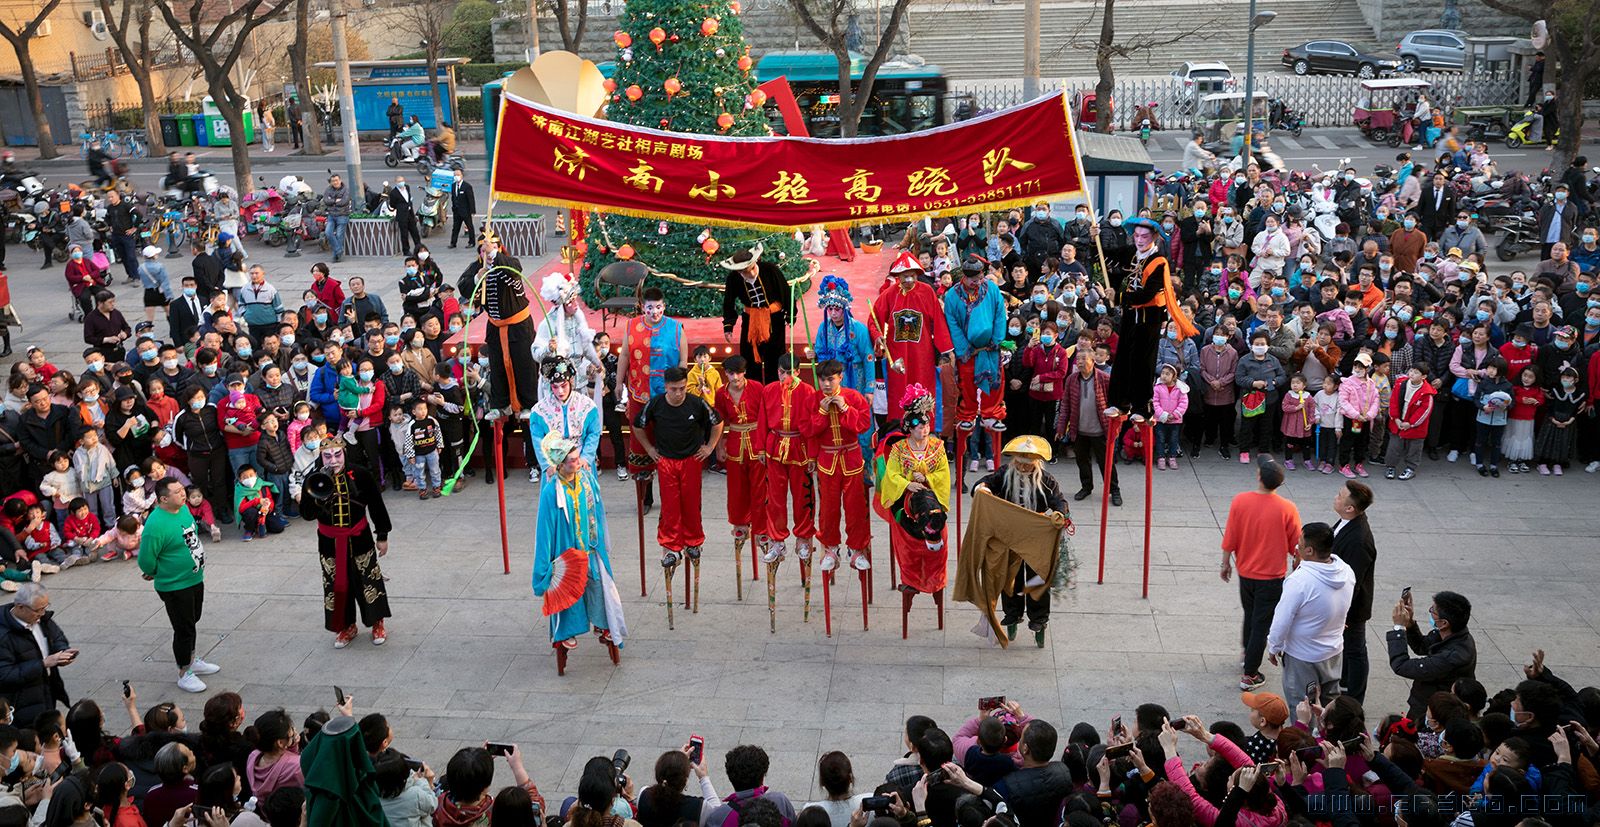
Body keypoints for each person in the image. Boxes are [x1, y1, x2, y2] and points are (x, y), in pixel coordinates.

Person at [532, 432, 625, 674]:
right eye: (572, 460)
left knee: (599, 588)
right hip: (567, 555)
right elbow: (544, 532)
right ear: (560, 464)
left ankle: (603, 625)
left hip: (591, 549)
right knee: (570, 593)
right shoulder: (551, 492)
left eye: (577, 458)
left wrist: (603, 544)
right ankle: (567, 632)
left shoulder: (587, 480)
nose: (578, 462)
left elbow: (600, 510)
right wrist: (542, 571)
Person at [964, 436, 1069, 648]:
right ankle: (1012, 615)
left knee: (1037, 579)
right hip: (1009, 537)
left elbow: (1060, 501)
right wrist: (982, 487)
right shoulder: (1004, 474)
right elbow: (984, 483)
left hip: (1035, 538)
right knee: (1009, 578)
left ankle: (1039, 619)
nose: (1023, 467)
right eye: (1020, 462)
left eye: (1028, 464)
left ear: (1036, 463)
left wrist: (1060, 513)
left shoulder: (1047, 480)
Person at [297, 440, 391, 649]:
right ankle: (346, 626)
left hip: (360, 538)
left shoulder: (360, 474)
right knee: (336, 586)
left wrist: (382, 534)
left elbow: (376, 504)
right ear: (321, 457)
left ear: (344, 452)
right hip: (329, 543)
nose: (333, 460)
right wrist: (318, 500)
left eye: (337, 455)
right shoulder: (313, 479)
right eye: (327, 456)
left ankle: (377, 622)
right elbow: (306, 514)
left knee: (368, 581)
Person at [1220, 456, 1302, 691]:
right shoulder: (1287, 508)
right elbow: (1296, 545)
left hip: (1246, 573)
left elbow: (1231, 536)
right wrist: (1297, 567)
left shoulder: (1240, 501)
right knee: (1262, 623)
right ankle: (1250, 674)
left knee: (1250, 613)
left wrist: (1225, 563)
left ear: (1258, 477)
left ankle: (1248, 653)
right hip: (1272, 576)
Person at [633, 365, 721, 580]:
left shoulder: (696, 402)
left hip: (691, 460)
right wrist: (649, 449)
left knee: (691, 501)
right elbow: (637, 426)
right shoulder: (656, 404)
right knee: (670, 504)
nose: (678, 393)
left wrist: (709, 447)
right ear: (665, 387)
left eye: (681, 388)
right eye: (674, 389)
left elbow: (717, 423)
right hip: (666, 461)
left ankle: (693, 542)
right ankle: (671, 546)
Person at [1108, 217, 1196, 415]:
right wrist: (1093, 238)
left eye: (1144, 236)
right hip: (1131, 314)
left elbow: (1147, 294)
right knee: (1123, 358)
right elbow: (1108, 255)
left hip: (1149, 317)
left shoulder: (1159, 262)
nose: (1139, 240)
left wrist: (1120, 296)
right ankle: (1120, 402)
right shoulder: (1132, 253)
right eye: (1137, 235)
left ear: (1154, 237)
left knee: (1143, 362)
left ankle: (1141, 406)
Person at [878, 384, 950, 627]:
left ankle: (934, 534)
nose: (924, 429)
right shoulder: (898, 449)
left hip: (932, 498)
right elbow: (891, 475)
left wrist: (928, 478)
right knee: (914, 518)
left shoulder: (937, 447)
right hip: (906, 499)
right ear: (909, 427)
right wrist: (908, 485)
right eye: (919, 425)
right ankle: (910, 576)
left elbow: (944, 474)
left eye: (927, 425)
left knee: (931, 507)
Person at [138, 479, 218, 693]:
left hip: (194, 578)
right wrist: (155, 571)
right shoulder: (155, 525)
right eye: (177, 492)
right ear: (164, 498)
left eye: (183, 490)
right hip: (174, 585)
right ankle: (184, 672)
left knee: (193, 620)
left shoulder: (183, 510)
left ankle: (191, 659)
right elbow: (145, 560)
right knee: (183, 628)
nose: (183, 494)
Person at [1265, 521, 1355, 703]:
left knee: (1302, 705)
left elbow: (1282, 620)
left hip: (1302, 656)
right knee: (1331, 704)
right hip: (1334, 651)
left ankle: (1306, 732)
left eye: (1300, 542)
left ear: (1309, 551)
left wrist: (1273, 646)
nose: (1297, 545)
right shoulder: (1346, 571)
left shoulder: (1299, 581)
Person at [804, 359, 872, 579]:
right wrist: (822, 413)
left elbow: (862, 426)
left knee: (855, 507)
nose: (826, 384)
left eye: (830, 379)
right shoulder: (813, 400)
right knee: (829, 508)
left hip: (851, 458)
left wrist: (844, 408)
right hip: (827, 460)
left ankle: (857, 548)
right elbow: (808, 430)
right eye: (822, 379)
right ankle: (831, 548)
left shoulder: (853, 397)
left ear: (840, 377)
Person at [458, 227, 535, 416]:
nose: (487, 254)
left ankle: (529, 404)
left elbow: (514, 272)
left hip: (518, 325)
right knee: (497, 365)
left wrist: (493, 254)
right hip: (495, 324)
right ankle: (500, 405)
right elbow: (464, 287)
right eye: (483, 251)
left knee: (523, 364)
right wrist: (478, 276)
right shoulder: (477, 269)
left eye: (491, 249)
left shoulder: (509, 263)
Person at [871, 252, 953, 422]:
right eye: (905, 276)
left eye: (912, 276)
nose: (909, 280)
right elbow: (874, 319)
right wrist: (878, 336)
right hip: (897, 355)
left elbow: (938, 321)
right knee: (898, 390)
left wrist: (946, 350)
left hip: (922, 353)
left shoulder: (927, 292)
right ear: (898, 276)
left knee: (923, 386)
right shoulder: (889, 294)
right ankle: (898, 427)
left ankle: (924, 426)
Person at [759, 355, 817, 568]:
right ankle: (777, 540)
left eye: (789, 372)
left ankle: (803, 538)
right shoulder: (769, 390)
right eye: (782, 372)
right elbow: (763, 420)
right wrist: (761, 448)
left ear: (798, 372)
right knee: (775, 497)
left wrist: (812, 454)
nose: (785, 376)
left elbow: (812, 425)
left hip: (799, 446)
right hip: (775, 446)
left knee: (803, 496)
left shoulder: (808, 391)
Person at [944, 256, 1009, 434]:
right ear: (964, 277)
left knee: (995, 379)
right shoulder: (952, 296)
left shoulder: (992, 289)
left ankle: (991, 414)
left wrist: (996, 339)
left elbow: (999, 314)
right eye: (975, 280)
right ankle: (968, 415)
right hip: (968, 349)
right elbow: (952, 323)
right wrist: (964, 348)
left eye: (981, 278)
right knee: (966, 382)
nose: (978, 282)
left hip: (990, 347)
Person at [1388, 590, 1478, 717]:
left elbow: (1401, 666)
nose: (1430, 612)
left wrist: (1398, 628)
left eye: (1433, 611)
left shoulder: (1452, 657)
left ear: (1444, 623)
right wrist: (1410, 624)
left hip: (1434, 713)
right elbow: (1422, 646)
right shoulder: (1453, 634)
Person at [0, 584, 75, 725]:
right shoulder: (3, 635)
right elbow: (5, 674)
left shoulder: (41, 619)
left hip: (46, 692)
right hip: (21, 704)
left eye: (45, 608)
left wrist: (62, 652)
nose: (42, 614)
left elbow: (57, 637)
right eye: (38, 610)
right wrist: (43, 664)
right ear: (20, 606)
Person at [719, 244, 793, 385]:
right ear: (739, 271)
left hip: (774, 319)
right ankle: (754, 391)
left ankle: (775, 391)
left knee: (775, 359)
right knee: (750, 359)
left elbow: (785, 291)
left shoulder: (770, 270)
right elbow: (728, 302)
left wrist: (790, 314)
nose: (751, 274)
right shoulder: (733, 279)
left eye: (752, 268)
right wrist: (728, 326)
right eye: (746, 271)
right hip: (751, 321)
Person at [1331, 480, 1377, 703]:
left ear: (1351, 508)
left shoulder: (1359, 539)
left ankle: (1355, 697)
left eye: (1340, 496)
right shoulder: (1346, 523)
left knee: (1356, 650)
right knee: (1349, 648)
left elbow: (1354, 582)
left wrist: (1344, 614)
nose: (1336, 498)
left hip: (1353, 608)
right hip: (1344, 605)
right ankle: (1346, 682)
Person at [1056, 348, 1119, 506]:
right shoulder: (1071, 379)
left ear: (1093, 361)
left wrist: (1115, 427)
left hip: (1100, 430)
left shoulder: (1104, 379)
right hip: (1079, 430)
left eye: (1084, 359)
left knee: (1106, 463)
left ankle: (1114, 490)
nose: (1080, 362)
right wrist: (1061, 428)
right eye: (1078, 359)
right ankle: (1086, 487)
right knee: (1082, 461)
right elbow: (1065, 406)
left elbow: (1115, 404)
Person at [323, 174, 352, 263]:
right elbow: (326, 200)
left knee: (339, 236)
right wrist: (335, 201)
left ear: (340, 180)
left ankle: (336, 256)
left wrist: (332, 201)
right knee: (328, 233)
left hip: (342, 215)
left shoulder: (345, 190)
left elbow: (344, 201)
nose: (335, 182)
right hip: (331, 215)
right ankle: (339, 250)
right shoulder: (328, 189)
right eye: (333, 181)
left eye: (336, 180)